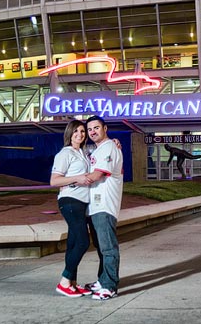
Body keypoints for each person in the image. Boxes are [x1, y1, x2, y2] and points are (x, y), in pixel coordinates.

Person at [50, 119, 93, 297]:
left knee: (73, 243)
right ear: (69, 134)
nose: (80, 135)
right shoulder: (65, 153)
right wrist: (77, 178)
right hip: (70, 200)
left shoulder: (82, 152)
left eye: (83, 132)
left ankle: (72, 284)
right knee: (83, 242)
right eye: (76, 132)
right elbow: (54, 181)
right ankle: (64, 281)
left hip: (81, 202)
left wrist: (114, 142)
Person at [82, 115, 123, 300]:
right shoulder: (99, 149)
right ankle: (103, 280)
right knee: (101, 247)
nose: (92, 132)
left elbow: (98, 174)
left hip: (105, 205)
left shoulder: (109, 147)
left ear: (105, 128)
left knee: (108, 248)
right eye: (90, 129)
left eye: (96, 128)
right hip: (96, 205)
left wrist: (73, 181)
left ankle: (110, 286)